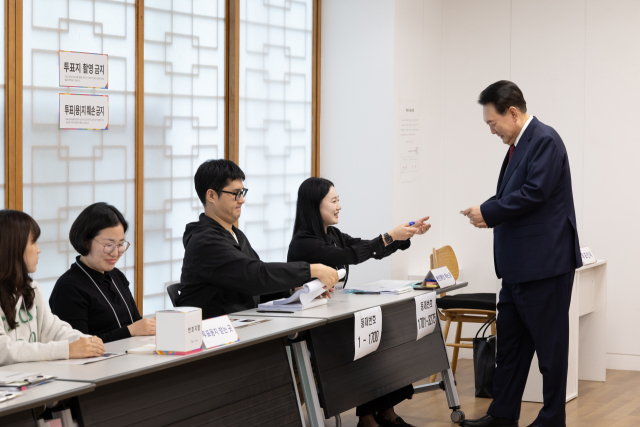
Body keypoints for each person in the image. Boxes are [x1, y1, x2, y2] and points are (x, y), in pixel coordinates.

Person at [461, 81, 581, 427]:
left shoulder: (544, 140)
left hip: (544, 267)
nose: (492, 131)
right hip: (517, 269)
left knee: (550, 351)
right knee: (510, 350)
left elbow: (534, 193)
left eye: (492, 123)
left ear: (512, 112)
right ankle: (501, 416)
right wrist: (489, 213)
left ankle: (551, 419)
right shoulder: (519, 145)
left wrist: (489, 211)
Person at [288, 177, 431, 427]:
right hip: (315, 328)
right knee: (371, 340)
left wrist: (401, 236)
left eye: (338, 200)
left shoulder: (332, 234)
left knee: (381, 336)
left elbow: (366, 247)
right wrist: (389, 236)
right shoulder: (305, 242)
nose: (339, 206)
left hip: (333, 319)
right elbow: (350, 256)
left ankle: (381, 414)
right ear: (314, 206)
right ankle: (371, 417)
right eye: (333, 201)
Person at [178, 159, 339, 319]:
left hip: (243, 327)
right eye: (235, 194)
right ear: (211, 195)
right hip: (214, 336)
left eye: (242, 192)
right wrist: (311, 269)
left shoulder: (236, 235)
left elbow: (256, 285)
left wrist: (294, 291)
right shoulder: (205, 241)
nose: (242, 200)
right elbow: (255, 275)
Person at [0, 210, 105, 366]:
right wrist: (66, 350)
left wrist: (84, 341)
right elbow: (3, 350)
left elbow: (54, 329)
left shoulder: (31, 288)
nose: (38, 249)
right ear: (14, 248)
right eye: (33, 242)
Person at [50, 203, 155, 343]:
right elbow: (78, 345)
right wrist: (130, 331)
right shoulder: (68, 287)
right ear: (86, 241)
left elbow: (135, 322)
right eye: (109, 245)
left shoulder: (116, 275)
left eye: (120, 244)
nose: (116, 253)